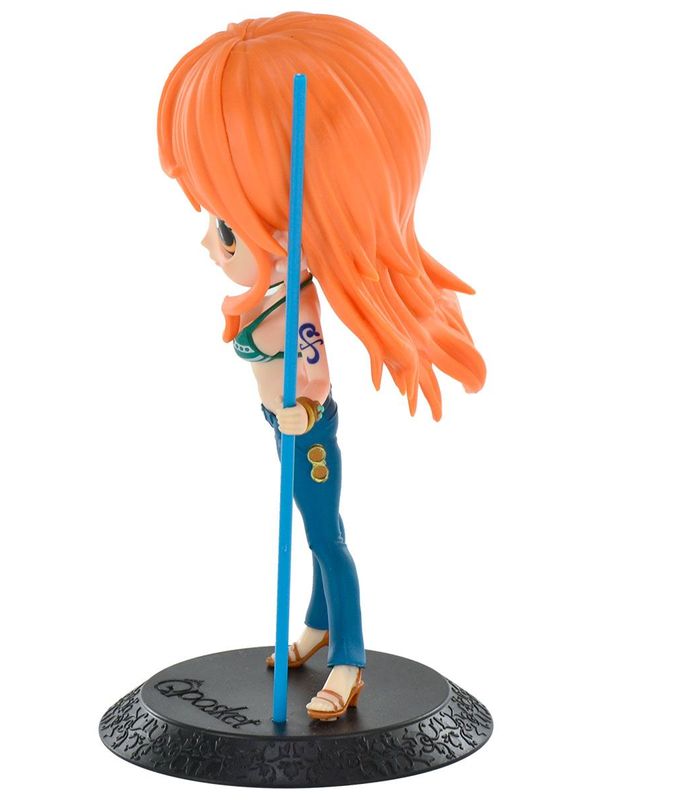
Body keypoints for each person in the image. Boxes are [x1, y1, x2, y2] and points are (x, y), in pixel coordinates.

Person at [157, 11, 486, 721]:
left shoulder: (294, 300)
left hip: (305, 430)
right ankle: (317, 623)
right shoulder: (272, 290)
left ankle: (350, 659)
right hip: (279, 424)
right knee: (312, 525)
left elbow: (312, 374)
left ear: (286, 229)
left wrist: (297, 410)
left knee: (325, 536)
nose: (209, 243)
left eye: (226, 226)